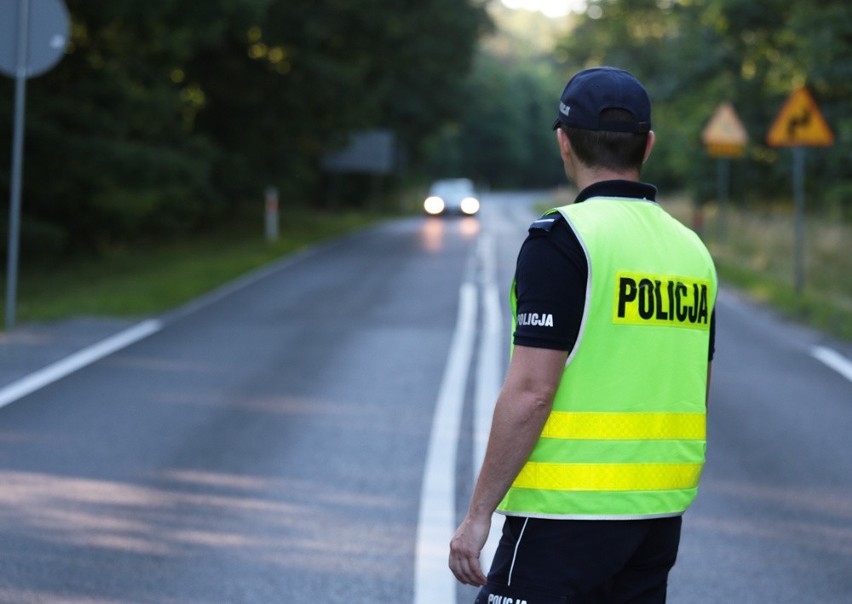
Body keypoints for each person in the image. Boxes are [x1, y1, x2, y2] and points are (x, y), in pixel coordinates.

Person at [449, 66, 717, 603]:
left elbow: (532, 392)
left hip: (564, 513)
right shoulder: (692, 250)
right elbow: (696, 385)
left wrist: (478, 515)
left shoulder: (564, 240)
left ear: (563, 142)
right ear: (649, 143)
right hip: (656, 516)